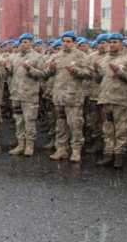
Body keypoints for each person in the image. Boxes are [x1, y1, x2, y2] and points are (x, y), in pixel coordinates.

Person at [44, 31, 92, 163]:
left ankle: (76, 150)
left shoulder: (81, 56)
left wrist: (76, 71)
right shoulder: (57, 56)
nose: (65, 44)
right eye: (63, 41)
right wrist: (51, 69)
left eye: (68, 41)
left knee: (75, 124)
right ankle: (61, 149)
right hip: (59, 96)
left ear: (74, 43)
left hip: (74, 96)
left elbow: (89, 73)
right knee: (60, 124)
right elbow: (47, 73)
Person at [94, 33, 127, 168]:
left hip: (120, 100)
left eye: (115, 42)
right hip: (106, 99)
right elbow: (100, 79)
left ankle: (119, 156)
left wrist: (119, 72)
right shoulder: (104, 59)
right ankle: (108, 155)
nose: (112, 44)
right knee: (107, 129)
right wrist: (96, 71)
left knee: (121, 130)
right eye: (110, 42)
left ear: (121, 43)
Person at [6, 33, 45, 157]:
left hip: (29, 95)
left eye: (26, 42)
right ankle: (20, 144)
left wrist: (30, 69)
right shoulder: (14, 57)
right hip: (16, 94)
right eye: (22, 42)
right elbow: (11, 74)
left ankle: (29, 145)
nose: (24, 44)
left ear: (31, 43)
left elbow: (42, 74)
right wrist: (7, 68)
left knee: (29, 120)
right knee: (18, 120)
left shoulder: (38, 57)